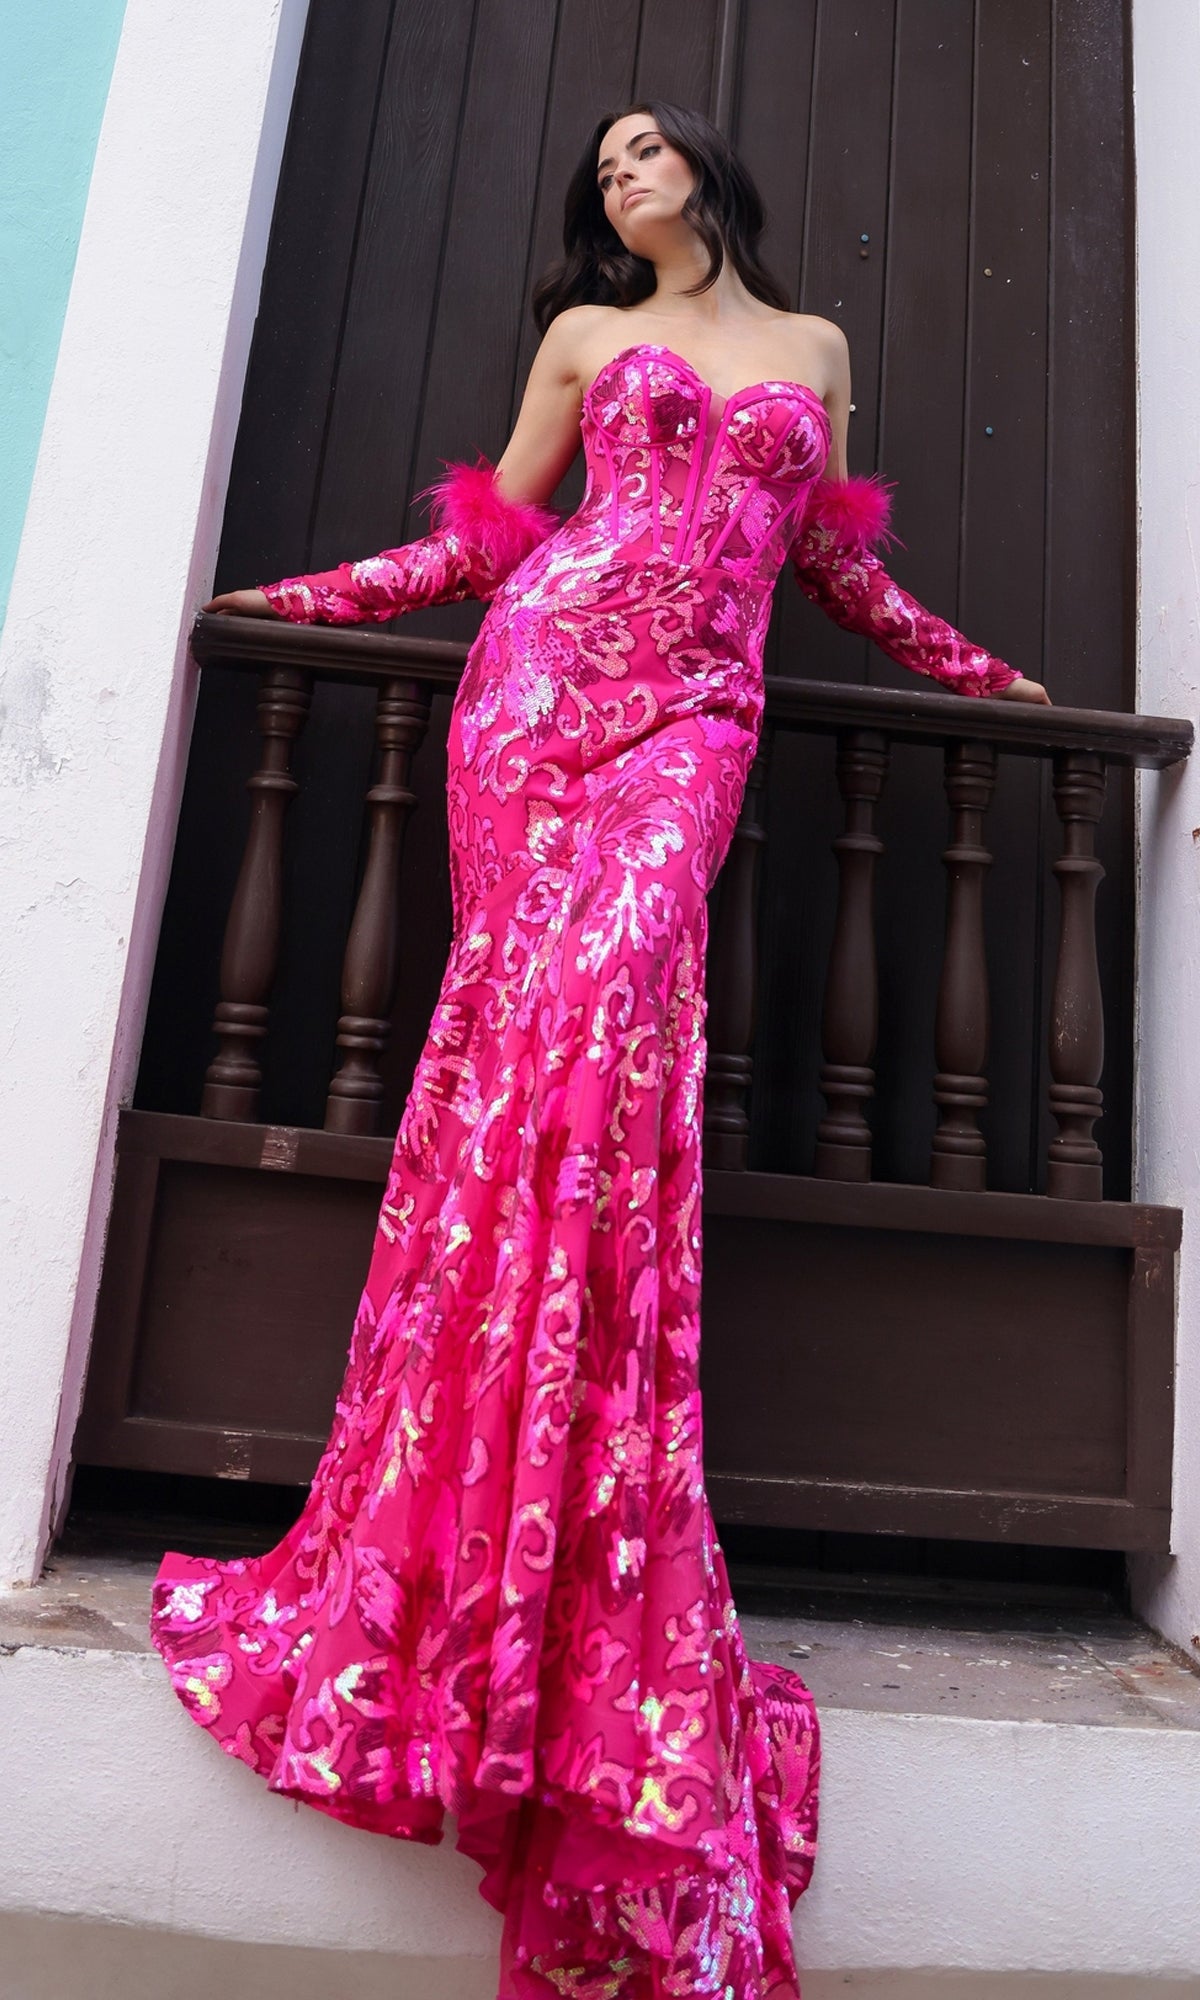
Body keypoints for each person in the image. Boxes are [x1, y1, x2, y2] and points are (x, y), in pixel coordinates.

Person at [151, 102, 1051, 2000]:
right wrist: (308, 595)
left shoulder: (813, 357)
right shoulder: (581, 341)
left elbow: (830, 570)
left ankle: (575, 1544)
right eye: (602, 168)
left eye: (645, 153)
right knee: (522, 1070)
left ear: (713, 171)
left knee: (609, 1041)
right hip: (542, 701)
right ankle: (468, 1552)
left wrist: (968, 668)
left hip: (690, 731)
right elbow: (495, 540)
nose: (619, 177)